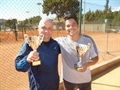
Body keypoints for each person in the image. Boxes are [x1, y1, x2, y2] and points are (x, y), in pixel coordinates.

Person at [55, 13, 99, 90]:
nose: (71, 27)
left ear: (78, 25)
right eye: (68, 26)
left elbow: (96, 58)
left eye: (73, 24)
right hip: (68, 80)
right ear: (65, 28)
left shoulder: (88, 40)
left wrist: (86, 64)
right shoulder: (60, 41)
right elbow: (45, 42)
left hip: (85, 80)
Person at [15, 18, 61, 90]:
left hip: (54, 86)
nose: (46, 31)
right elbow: (18, 66)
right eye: (43, 28)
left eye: (50, 28)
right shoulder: (30, 43)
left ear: (52, 30)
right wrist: (27, 59)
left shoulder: (55, 44)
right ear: (38, 29)